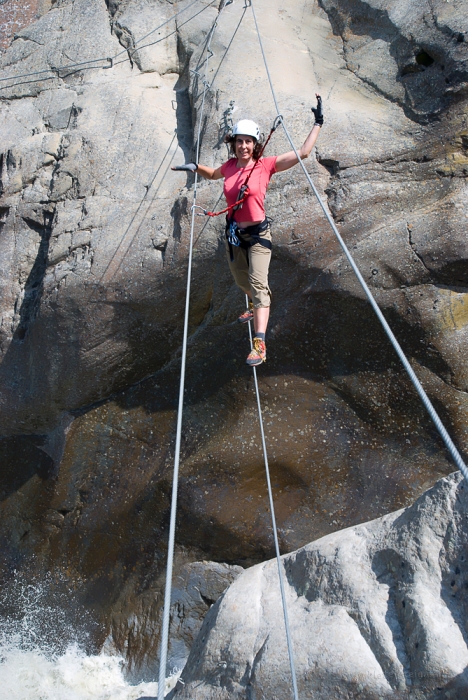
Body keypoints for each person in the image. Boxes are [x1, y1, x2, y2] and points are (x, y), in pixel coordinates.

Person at [172, 95, 323, 366]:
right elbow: (214, 174)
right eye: (239, 141)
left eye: (248, 141)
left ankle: (260, 343)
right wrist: (195, 167)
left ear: (255, 145)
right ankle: (254, 305)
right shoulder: (230, 167)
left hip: (258, 235)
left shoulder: (265, 166)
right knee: (241, 280)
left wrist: (318, 123)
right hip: (234, 233)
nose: (243, 146)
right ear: (234, 144)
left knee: (257, 283)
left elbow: (302, 153)